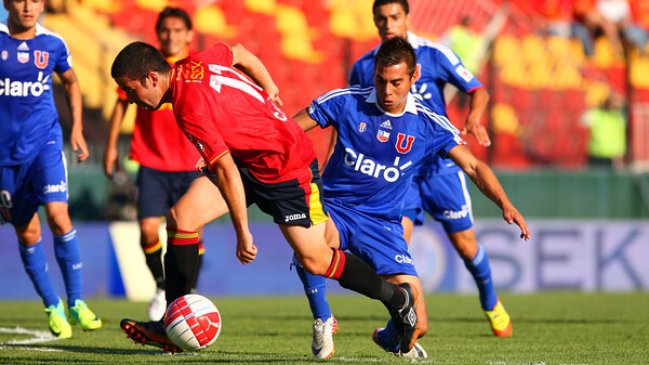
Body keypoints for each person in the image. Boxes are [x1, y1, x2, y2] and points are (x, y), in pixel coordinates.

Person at [110, 40, 423, 355]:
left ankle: (397, 299)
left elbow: (228, 172)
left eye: (130, 89)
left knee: (315, 258)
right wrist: (269, 87)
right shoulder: (193, 64)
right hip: (251, 161)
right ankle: (170, 322)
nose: (131, 99)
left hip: (288, 169)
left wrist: (242, 232)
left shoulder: (187, 105)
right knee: (182, 217)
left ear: (152, 78)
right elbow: (241, 52)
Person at [293, 0, 515, 356]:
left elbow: (474, 159)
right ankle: (323, 319)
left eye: (396, 82)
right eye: (381, 81)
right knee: (307, 241)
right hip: (351, 200)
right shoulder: (354, 85)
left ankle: (403, 330)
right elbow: (296, 129)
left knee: (421, 320)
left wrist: (505, 202)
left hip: (424, 177)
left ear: (415, 76)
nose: (386, 90)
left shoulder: (432, 75)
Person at [0, 0, 102, 338]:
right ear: (5, 3)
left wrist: (75, 129)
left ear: (43, 4)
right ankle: (52, 305)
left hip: (44, 143)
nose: (28, 6)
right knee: (28, 233)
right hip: (5, 158)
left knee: (59, 216)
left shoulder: (53, 43)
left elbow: (71, 82)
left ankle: (76, 302)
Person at [103, 6, 205, 321]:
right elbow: (122, 104)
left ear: (188, 35)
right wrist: (110, 148)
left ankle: (187, 293)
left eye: (177, 30)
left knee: (190, 234)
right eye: (165, 30)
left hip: (191, 162)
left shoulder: (195, 68)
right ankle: (162, 288)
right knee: (149, 230)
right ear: (158, 33)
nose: (171, 36)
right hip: (151, 161)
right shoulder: (145, 67)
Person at [581, 92, 627, 169]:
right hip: (596, 155)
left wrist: (619, 156)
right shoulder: (595, 114)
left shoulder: (619, 118)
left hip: (613, 157)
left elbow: (620, 138)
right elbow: (582, 122)